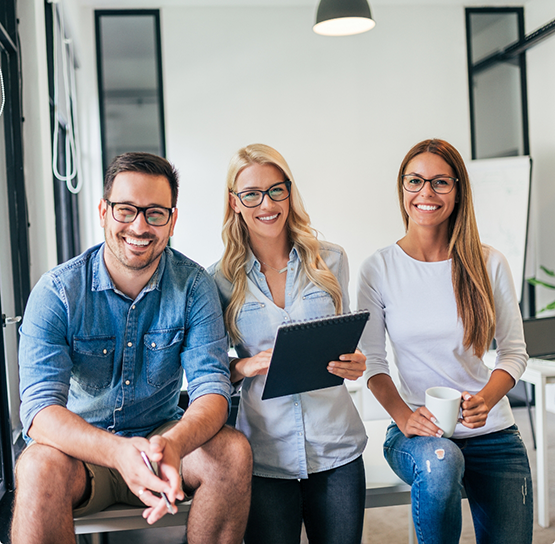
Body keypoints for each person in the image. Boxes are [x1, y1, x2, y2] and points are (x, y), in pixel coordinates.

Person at [11, 152, 252, 544]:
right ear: (104, 212)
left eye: (155, 213)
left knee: (232, 451)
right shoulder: (57, 292)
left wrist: (173, 443)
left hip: (162, 443)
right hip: (82, 453)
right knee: (36, 464)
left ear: (172, 220)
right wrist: (118, 452)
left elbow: (213, 390)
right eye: (126, 210)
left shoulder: (193, 287)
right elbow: (39, 412)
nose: (139, 226)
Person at [357, 138, 533, 544]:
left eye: (440, 182)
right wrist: (404, 417)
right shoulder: (378, 268)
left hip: (493, 433)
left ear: (458, 191)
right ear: (402, 189)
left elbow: (513, 352)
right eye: (415, 181)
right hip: (419, 436)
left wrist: (487, 398)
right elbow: (374, 362)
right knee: (441, 460)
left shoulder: (488, 263)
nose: (426, 193)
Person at [209, 143, 368, 544]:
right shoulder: (218, 280)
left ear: (289, 191)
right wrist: (245, 366)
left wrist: (355, 362)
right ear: (235, 202)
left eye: (276, 189)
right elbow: (208, 370)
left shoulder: (330, 261)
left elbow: (344, 340)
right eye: (252, 194)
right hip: (265, 454)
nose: (267, 203)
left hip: (336, 447)